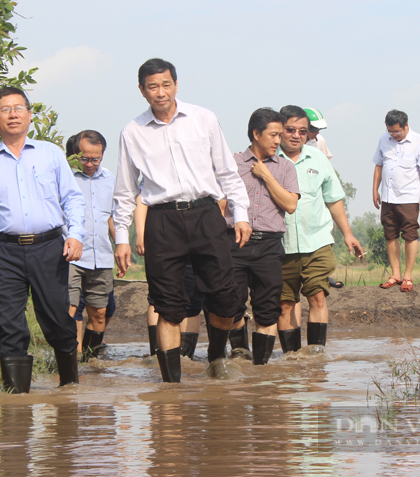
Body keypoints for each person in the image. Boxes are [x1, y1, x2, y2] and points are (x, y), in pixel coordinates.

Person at [113, 58, 252, 383]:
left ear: (175, 84)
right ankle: (171, 385)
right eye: (152, 87)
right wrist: (122, 236)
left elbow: (227, 172)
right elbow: (125, 190)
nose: (160, 92)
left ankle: (216, 360)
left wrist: (241, 213)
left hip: (206, 214)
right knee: (167, 305)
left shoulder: (203, 119)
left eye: (165, 85)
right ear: (142, 90)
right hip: (162, 222)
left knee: (224, 298)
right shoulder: (132, 132)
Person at [0, 86, 86, 393]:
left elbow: (72, 198)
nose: (12, 114)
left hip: (50, 249)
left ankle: (69, 390)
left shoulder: (51, 154)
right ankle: (17, 404)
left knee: (58, 321)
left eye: (18, 108)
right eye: (4, 110)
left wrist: (76, 235)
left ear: (29, 115)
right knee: (10, 326)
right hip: (6, 252)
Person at [276, 105, 364, 352]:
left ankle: (315, 358)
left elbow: (333, 199)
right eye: (290, 129)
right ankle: (291, 359)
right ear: (279, 130)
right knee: (284, 304)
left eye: (302, 131)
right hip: (280, 245)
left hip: (316, 241)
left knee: (317, 297)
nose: (296, 135)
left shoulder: (318, 159)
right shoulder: (268, 160)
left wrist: (348, 233)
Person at [220, 108, 300, 365]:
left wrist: (266, 176)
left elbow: (290, 204)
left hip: (269, 245)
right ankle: (239, 353)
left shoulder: (285, 168)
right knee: (231, 305)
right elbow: (220, 204)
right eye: (274, 135)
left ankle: (261, 368)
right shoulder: (231, 165)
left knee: (267, 309)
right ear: (256, 133)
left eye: (280, 135)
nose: (279, 140)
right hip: (234, 242)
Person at [134, 193, 203, 359]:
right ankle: (159, 354)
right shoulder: (157, 169)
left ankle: (185, 357)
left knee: (193, 295)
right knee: (159, 294)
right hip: (163, 230)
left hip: (197, 232)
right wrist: (140, 233)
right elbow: (142, 199)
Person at [67, 130, 116, 361]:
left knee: (100, 312)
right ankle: (71, 361)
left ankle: (89, 360)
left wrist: (121, 247)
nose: (89, 164)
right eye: (84, 158)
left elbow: (112, 217)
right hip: (70, 255)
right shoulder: (64, 177)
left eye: (95, 159)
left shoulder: (110, 179)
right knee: (70, 309)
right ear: (75, 154)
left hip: (102, 256)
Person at [372, 109, 420, 293]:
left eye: (397, 132)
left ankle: (407, 276)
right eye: (391, 132)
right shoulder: (384, 140)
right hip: (388, 197)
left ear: (406, 126)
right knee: (390, 234)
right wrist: (375, 190)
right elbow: (378, 166)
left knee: (410, 235)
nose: (393, 135)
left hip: (408, 197)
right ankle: (395, 274)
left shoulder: (419, 141)